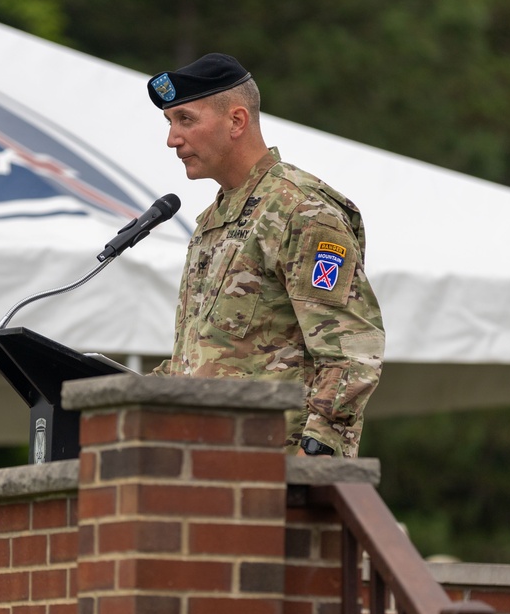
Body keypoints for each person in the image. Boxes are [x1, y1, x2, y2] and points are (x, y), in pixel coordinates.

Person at [147, 53, 384, 457]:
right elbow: (203, 357)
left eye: (185, 120)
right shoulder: (212, 221)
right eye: (170, 123)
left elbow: (351, 349)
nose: (172, 139)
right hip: (207, 464)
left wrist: (317, 450)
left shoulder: (301, 210)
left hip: (277, 471)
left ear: (236, 121)